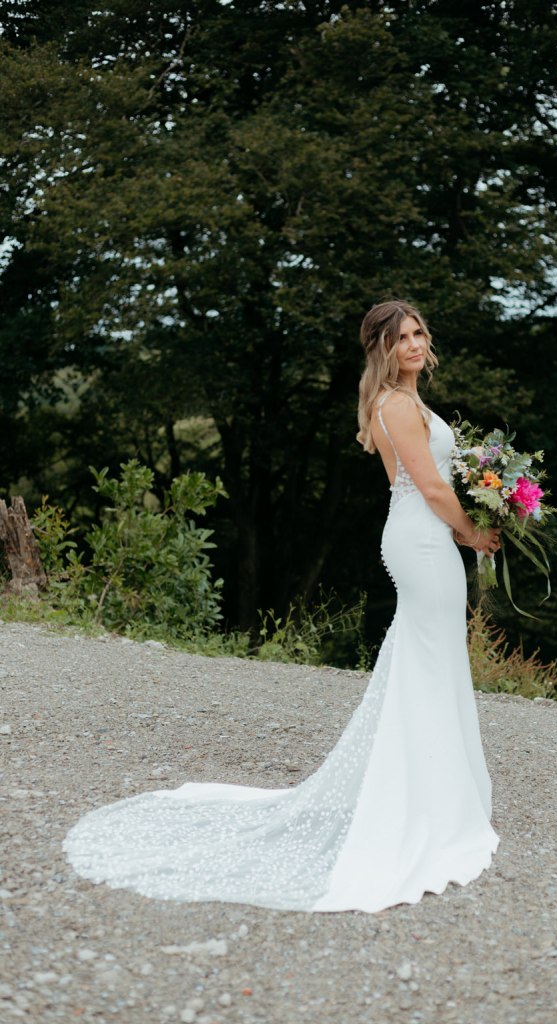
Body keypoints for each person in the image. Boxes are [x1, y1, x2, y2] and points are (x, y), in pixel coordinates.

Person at [63, 299, 500, 913]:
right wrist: (473, 533)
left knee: (428, 661)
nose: (414, 344)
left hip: (419, 534)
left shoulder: (407, 401)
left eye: (419, 332)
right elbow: (428, 486)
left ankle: (432, 792)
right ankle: (422, 803)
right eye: (400, 337)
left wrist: (478, 506)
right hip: (424, 541)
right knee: (430, 662)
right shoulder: (396, 406)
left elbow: (421, 484)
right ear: (380, 348)